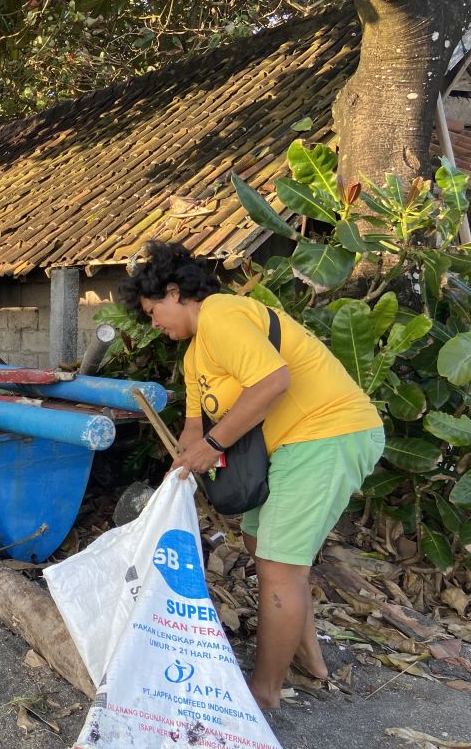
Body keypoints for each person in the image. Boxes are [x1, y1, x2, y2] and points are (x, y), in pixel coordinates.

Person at [121, 240, 384, 710]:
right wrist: (178, 475)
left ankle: (263, 696)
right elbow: (194, 427)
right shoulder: (194, 354)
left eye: (153, 309)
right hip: (293, 447)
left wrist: (214, 446)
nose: (154, 323)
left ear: (176, 292)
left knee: (279, 568)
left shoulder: (222, 314)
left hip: (326, 433)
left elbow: (272, 382)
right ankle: (313, 663)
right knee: (264, 549)